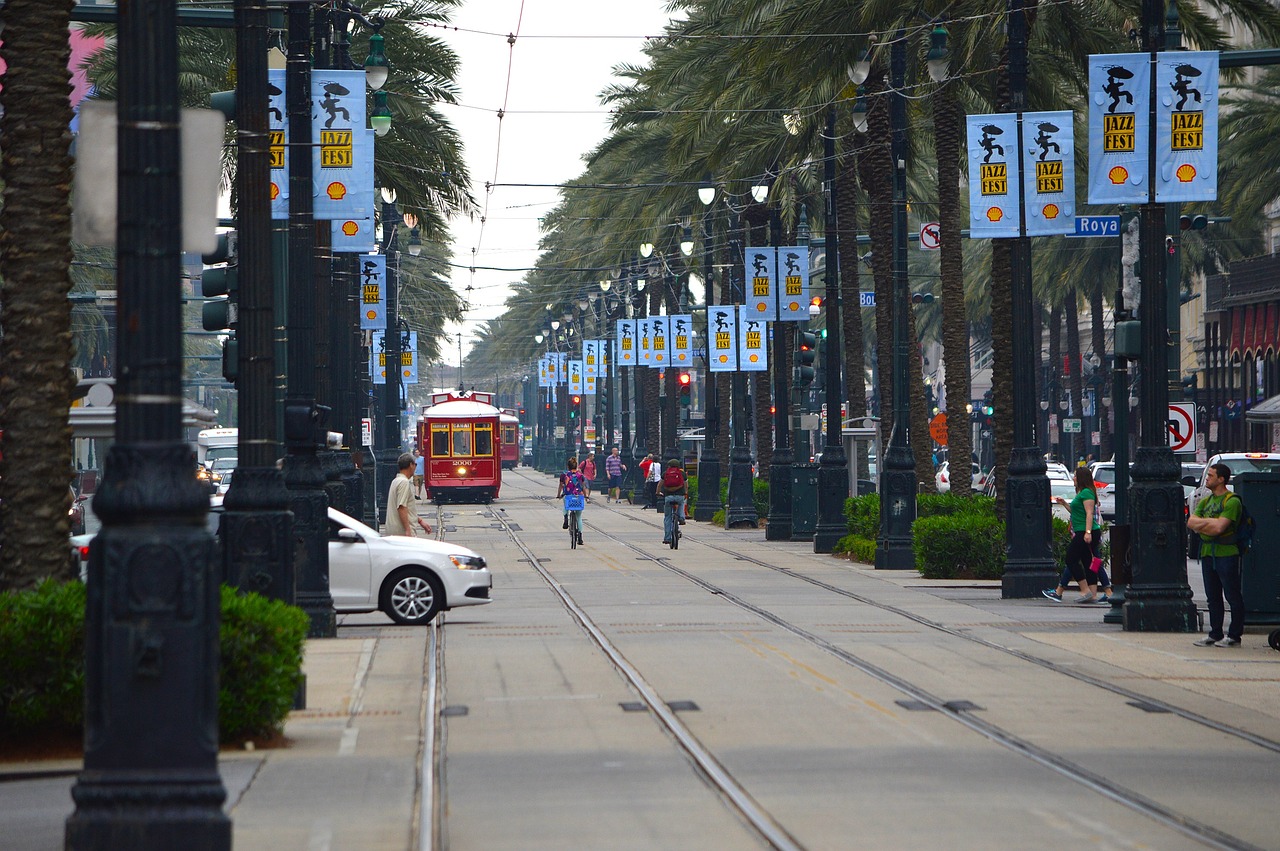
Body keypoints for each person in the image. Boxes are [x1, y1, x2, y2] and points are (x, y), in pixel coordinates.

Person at [1187, 462, 1244, 647]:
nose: (1207, 479)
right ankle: (1215, 633)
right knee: (1213, 597)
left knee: (1232, 595)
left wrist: (1204, 524)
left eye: (1211, 476)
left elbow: (1220, 527)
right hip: (1207, 553)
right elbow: (1191, 522)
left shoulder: (1232, 501)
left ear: (1221, 479)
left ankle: (1234, 635)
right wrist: (1210, 524)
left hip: (1227, 553)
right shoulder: (1206, 500)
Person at [1044, 466, 1102, 603]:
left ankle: (1085, 590)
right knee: (1088, 562)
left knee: (1071, 558)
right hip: (1083, 530)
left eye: (1075, 476)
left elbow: (1089, 513)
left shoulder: (1087, 492)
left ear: (1081, 478)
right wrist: (1064, 503)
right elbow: (1077, 513)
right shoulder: (1082, 492)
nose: (1073, 478)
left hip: (1085, 531)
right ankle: (1092, 595)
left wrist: (1087, 533)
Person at [385, 452, 432, 537]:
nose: (415, 467)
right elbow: (402, 507)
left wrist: (420, 521)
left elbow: (407, 509)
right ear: (411, 465)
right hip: (401, 532)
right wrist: (408, 529)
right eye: (415, 464)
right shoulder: (404, 482)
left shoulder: (396, 481)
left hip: (394, 532)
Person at [656, 458, 688, 545]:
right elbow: (685, 484)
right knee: (681, 503)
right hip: (679, 496)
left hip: (668, 497)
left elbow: (660, 484)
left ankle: (667, 538)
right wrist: (685, 492)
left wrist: (658, 492)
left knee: (668, 517)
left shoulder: (665, 473)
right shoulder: (682, 473)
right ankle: (681, 518)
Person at [556, 457, 585, 544]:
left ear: (567, 466)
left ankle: (565, 518)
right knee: (579, 517)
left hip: (568, 496)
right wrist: (586, 496)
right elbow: (583, 486)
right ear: (576, 466)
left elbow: (561, 486)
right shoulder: (580, 475)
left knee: (566, 505)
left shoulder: (564, 475)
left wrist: (558, 495)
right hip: (578, 497)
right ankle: (580, 536)